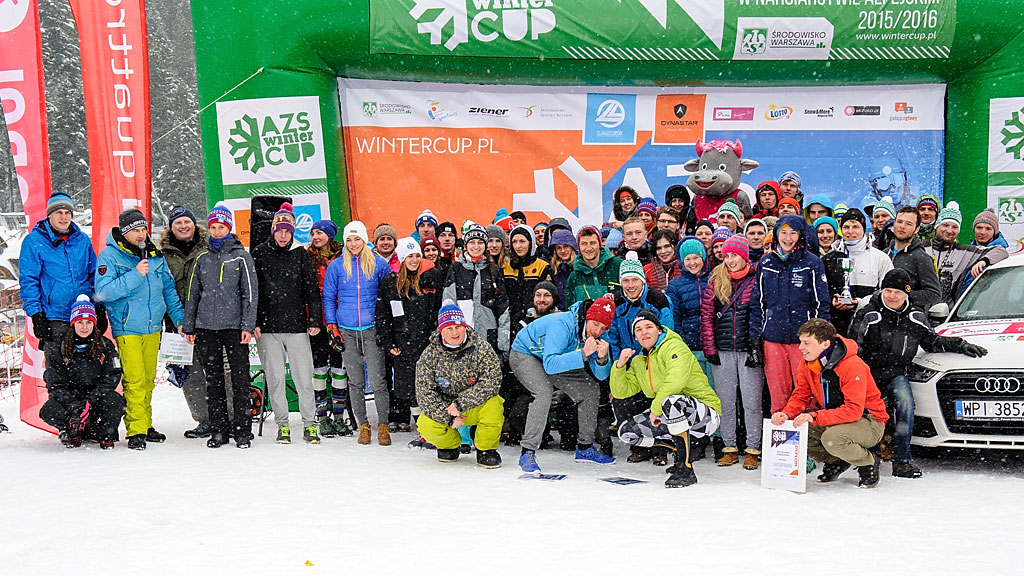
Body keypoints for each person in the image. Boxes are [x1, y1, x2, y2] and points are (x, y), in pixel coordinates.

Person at [852, 269, 988, 479]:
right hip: (868, 373)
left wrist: (960, 345)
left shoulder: (915, 316)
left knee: (906, 404)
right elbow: (854, 347)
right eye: (887, 291)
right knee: (866, 412)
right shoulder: (869, 314)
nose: (892, 296)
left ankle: (902, 460)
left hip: (897, 372)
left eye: (897, 292)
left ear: (907, 294)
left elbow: (932, 342)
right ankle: (868, 459)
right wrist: (856, 376)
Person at [95, 209, 184, 451]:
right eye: (135, 230)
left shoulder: (154, 255)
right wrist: (135, 275)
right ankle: (135, 430)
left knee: (147, 381)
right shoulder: (110, 257)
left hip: (152, 326)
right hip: (127, 328)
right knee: (134, 380)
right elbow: (103, 293)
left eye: (143, 229)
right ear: (125, 232)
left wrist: (179, 319)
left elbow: (168, 290)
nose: (141, 234)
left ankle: (145, 424)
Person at [771, 319, 887, 489]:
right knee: (795, 429)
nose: (800, 348)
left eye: (806, 343)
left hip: (870, 420)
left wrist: (814, 416)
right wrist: (786, 414)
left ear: (825, 344)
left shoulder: (852, 365)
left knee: (832, 439)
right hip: (838, 419)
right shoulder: (808, 362)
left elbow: (854, 410)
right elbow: (800, 395)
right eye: (801, 342)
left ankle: (869, 461)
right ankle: (837, 460)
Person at [612, 309, 721, 488]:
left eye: (649, 327)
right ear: (636, 337)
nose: (644, 332)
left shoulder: (675, 346)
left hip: (705, 416)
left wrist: (655, 410)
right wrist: (620, 365)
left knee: (671, 402)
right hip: (670, 415)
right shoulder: (640, 360)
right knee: (626, 432)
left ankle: (685, 468)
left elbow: (675, 382)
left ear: (659, 330)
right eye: (638, 330)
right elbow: (621, 391)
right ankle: (681, 450)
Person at [510, 297, 617, 473]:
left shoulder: (599, 334)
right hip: (526, 353)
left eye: (603, 328)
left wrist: (602, 358)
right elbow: (550, 364)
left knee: (590, 389)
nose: (597, 331)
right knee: (544, 392)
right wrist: (583, 353)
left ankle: (585, 448)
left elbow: (600, 375)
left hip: (556, 358)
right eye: (595, 324)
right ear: (587, 317)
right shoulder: (563, 323)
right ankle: (527, 452)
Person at [183, 202, 258, 449]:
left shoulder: (241, 256)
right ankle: (219, 431)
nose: (216, 232)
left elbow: (250, 294)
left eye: (221, 227)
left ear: (229, 228)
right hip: (207, 329)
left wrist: (247, 325)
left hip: (235, 328)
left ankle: (242, 431)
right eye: (213, 227)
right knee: (213, 381)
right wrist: (189, 326)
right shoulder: (202, 258)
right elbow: (193, 294)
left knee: (239, 380)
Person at [252, 204, 323, 445]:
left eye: (287, 231)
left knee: (304, 378)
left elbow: (311, 289)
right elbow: (254, 291)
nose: (283, 235)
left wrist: (314, 319)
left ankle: (310, 424)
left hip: (296, 327)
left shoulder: (300, 253)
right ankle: (282, 425)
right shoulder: (260, 252)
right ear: (273, 231)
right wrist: (255, 322)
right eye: (280, 230)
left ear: (293, 233)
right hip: (268, 328)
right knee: (275, 378)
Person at [749, 214, 830, 413]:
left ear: (800, 235)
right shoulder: (766, 262)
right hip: (773, 339)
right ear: (776, 234)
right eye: (783, 232)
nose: (787, 238)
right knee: (778, 396)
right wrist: (754, 338)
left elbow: (822, 303)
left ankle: (812, 441)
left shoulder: (811, 263)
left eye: (793, 233)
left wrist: (820, 339)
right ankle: (780, 441)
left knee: (808, 394)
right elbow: (757, 303)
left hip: (803, 342)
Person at [323, 221, 392, 446]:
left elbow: (388, 296)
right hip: (347, 329)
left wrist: (385, 326)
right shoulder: (336, 266)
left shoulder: (379, 264)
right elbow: (329, 297)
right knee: (355, 381)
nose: (353, 244)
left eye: (357, 239)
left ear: (365, 241)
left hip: (372, 328)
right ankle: (363, 425)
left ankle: (383, 425)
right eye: (349, 240)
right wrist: (332, 325)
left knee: (378, 379)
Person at [415, 301, 504, 468]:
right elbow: (424, 393)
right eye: (449, 328)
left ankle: (486, 450)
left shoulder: (482, 348)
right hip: (446, 408)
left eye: (458, 327)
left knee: (495, 404)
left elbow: (492, 382)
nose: (455, 332)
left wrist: (461, 403)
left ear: (465, 326)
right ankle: (449, 446)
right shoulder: (429, 355)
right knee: (425, 423)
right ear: (441, 330)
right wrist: (448, 416)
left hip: (474, 405)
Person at [700, 236, 761, 469]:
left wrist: (756, 346)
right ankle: (729, 447)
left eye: (734, 255)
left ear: (744, 255)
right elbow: (706, 316)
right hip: (723, 348)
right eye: (726, 255)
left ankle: (753, 448)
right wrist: (710, 348)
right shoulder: (716, 280)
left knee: (751, 402)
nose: (730, 260)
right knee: (725, 402)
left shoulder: (756, 280)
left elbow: (759, 313)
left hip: (747, 349)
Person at [20, 192, 101, 357]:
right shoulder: (34, 241)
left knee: (87, 370)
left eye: (67, 213)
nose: (63, 217)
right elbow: (29, 281)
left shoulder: (82, 240)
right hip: (55, 316)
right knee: (58, 370)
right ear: (50, 214)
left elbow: (94, 275)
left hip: (83, 315)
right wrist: (36, 315)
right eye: (59, 212)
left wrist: (99, 306)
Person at [377, 237, 443, 437]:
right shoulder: (391, 281)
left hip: (426, 342)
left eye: (417, 256)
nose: (414, 260)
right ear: (402, 258)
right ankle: (421, 428)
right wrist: (389, 342)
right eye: (410, 256)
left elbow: (437, 309)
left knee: (429, 385)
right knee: (409, 388)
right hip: (402, 344)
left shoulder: (431, 277)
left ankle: (431, 426)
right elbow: (383, 313)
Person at [40, 295, 125, 449]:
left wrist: (90, 400)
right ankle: (73, 432)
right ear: (73, 323)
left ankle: (105, 434)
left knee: (116, 401)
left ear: (94, 323)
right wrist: (73, 405)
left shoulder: (105, 346)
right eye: (80, 322)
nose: (84, 327)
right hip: (72, 399)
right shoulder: (60, 347)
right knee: (49, 410)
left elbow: (112, 376)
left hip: (96, 397)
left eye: (88, 322)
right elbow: (55, 383)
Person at [159, 205, 215, 439]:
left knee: (217, 371)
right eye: (178, 223)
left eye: (187, 222)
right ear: (171, 227)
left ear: (194, 224)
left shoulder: (209, 246)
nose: (183, 226)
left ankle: (228, 417)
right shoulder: (161, 253)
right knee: (190, 376)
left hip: (209, 320)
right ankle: (204, 420)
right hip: (176, 324)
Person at [307, 219, 352, 438]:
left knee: (339, 368)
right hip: (316, 321)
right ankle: (322, 417)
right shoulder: (307, 257)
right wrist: (311, 319)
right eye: (313, 233)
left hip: (340, 320)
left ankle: (339, 417)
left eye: (320, 233)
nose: (316, 237)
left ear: (330, 235)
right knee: (318, 369)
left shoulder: (344, 256)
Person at [822, 208, 893, 336]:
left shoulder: (880, 258)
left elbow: (889, 292)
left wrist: (860, 302)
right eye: (846, 227)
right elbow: (821, 290)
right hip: (838, 327)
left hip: (870, 325)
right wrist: (833, 298)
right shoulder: (829, 258)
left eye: (855, 227)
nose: (850, 232)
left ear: (863, 229)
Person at [444, 224, 511, 357]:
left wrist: (503, 343)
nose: (476, 246)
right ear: (465, 246)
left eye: (480, 242)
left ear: (485, 246)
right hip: (461, 335)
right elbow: (448, 303)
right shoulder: (456, 269)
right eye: (472, 242)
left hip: (487, 335)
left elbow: (502, 307)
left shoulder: (494, 270)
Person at [926, 202, 1008, 308]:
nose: (983, 232)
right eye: (979, 227)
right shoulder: (968, 251)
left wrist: (984, 261)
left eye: (988, 229)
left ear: (995, 232)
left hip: (982, 307)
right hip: (957, 307)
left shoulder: (996, 253)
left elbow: (1002, 251)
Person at [883, 206, 941, 312]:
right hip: (880, 318)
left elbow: (934, 294)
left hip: (907, 320)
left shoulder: (921, 258)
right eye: (899, 222)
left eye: (909, 224)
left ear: (917, 229)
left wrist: (904, 295)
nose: (902, 227)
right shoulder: (884, 254)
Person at [502, 224, 552, 341]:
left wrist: (527, 319)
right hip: (509, 324)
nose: (518, 246)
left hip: (534, 323)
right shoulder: (505, 266)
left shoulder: (542, 266)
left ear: (530, 242)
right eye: (514, 242)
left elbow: (546, 300)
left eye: (522, 241)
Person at [565, 225, 623, 305]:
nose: (588, 248)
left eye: (592, 243)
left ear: (599, 245)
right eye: (584, 244)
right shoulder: (574, 277)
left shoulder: (618, 265)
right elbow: (570, 310)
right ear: (579, 247)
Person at [643, 229, 682, 293]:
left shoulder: (684, 267)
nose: (663, 251)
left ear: (675, 246)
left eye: (667, 246)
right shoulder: (647, 270)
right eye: (659, 248)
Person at [547, 229, 577, 308]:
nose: (563, 251)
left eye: (566, 246)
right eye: (558, 248)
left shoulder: (581, 267)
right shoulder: (552, 269)